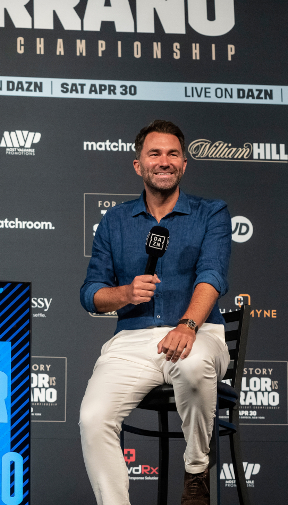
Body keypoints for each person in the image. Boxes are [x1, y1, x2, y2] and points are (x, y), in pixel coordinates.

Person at [79, 120, 231, 505]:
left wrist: (188, 324)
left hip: (197, 331)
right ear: (138, 165)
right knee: (93, 420)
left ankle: (196, 471)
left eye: (172, 154)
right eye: (154, 153)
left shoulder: (210, 213)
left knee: (194, 365)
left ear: (184, 164)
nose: (164, 161)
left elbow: (211, 274)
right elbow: (91, 293)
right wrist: (125, 293)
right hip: (133, 340)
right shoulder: (115, 221)